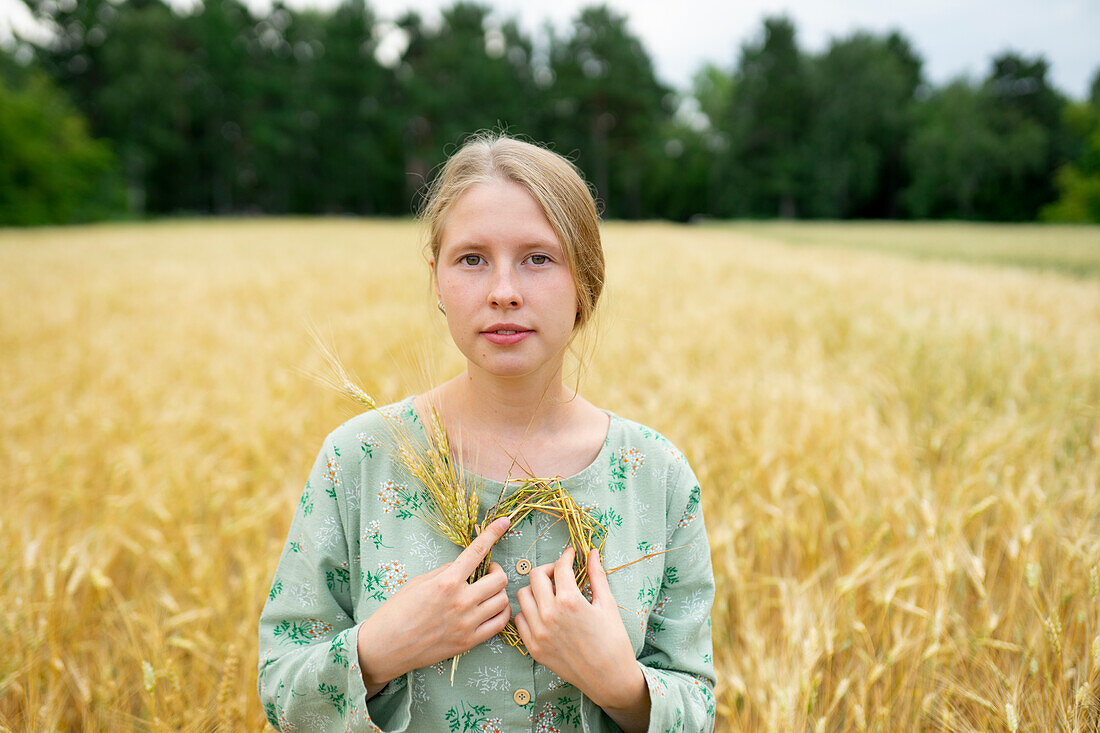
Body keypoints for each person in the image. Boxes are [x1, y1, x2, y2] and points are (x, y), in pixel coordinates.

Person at [257, 133, 716, 732]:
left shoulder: (657, 476)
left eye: (538, 258)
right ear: (438, 281)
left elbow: (698, 708)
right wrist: (377, 651)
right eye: (472, 259)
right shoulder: (361, 457)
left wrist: (620, 685)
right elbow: (279, 689)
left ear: (585, 280)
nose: (504, 292)